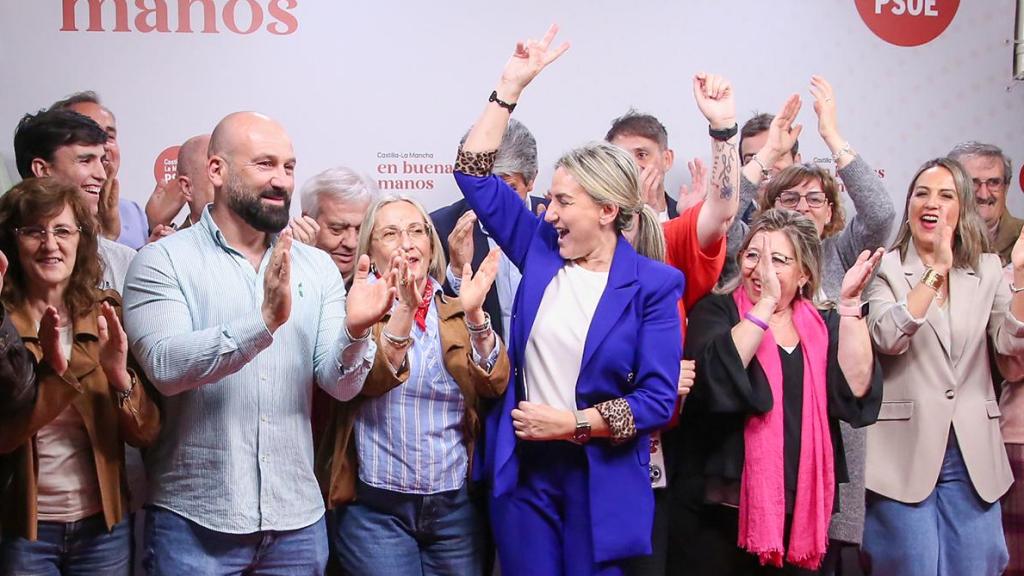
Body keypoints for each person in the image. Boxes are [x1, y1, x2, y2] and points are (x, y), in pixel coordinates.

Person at [121, 111, 394, 574]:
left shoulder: (317, 267)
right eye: (264, 164)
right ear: (217, 171)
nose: (281, 181)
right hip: (195, 522)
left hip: (297, 524)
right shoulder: (161, 261)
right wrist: (262, 322)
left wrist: (355, 332)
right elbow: (165, 368)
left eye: (289, 167)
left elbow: (340, 385)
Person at [454, 26, 683, 574]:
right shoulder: (539, 248)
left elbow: (658, 401)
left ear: (607, 211)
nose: (548, 212)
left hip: (601, 483)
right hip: (526, 476)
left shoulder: (654, 284)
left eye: (562, 201)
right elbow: (472, 173)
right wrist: (509, 87)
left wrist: (574, 424)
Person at [672, 208, 882, 575]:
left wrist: (849, 307)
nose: (761, 269)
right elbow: (714, 377)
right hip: (716, 513)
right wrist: (766, 305)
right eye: (752, 255)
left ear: (803, 274)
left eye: (778, 260)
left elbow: (856, 388)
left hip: (798, 509)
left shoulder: (822, 324)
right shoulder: (717, 310)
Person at [316, 195, 510, 575]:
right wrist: (402, 310)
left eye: (416, 231)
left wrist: (473, 315)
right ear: (369, 248)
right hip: (375, 509)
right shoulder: (351, 308)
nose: (407, 242)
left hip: (454, 507)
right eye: (390, 233)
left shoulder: (453, 307)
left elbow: (495, 382)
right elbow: (364, 381)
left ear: (430, 243)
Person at [862, 157, 1024, 576]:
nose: (931, 203)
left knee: (978, 564)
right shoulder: (885, 268)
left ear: (961, 209)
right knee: (909, 566)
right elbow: (888, 337)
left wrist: (1021, 277)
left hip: (972, 455)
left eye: (945, 195)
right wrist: (934, 274)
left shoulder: (987, 270)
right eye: (922, 193)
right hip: (903, 454)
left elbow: (1010, 346)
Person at [0, 177, 160, 575]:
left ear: (81, 239)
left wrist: (120, 377)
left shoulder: (106, 312)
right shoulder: (2, 321)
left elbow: (146, 433)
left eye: (62, 230)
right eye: (34, 231)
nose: (50, 244)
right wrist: (53, 375)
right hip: (23, 529)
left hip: (102, 525)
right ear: (12, 242)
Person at [433, 118, 545, 345]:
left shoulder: (557, 222)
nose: (494, 202)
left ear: (531, 179)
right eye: (485, 190)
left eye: (508, 188)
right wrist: (456, 272)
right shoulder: (442, 226)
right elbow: (434, 319)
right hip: (479, 370)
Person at [13, 108, 136, 294]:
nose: (101, 175)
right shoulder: (7, 257)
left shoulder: (124, 262)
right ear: (42, 170)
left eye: (101, 161)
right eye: (85, 161)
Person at [50, 91, 157, 249]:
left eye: (109, 135)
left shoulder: (133, 212)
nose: (103, 145)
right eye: (88, 134)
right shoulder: (44, 216)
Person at [296, 166, 380, 284]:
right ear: (307, 221)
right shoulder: (279, 273)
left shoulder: (386, 286)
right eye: (337, 229)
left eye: (360, 230)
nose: (351, 243)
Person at [947, 141, 1018, 266]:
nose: (983, 195)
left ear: (1005, 188)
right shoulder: (932, 238)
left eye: (994, 182)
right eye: (972, 183)